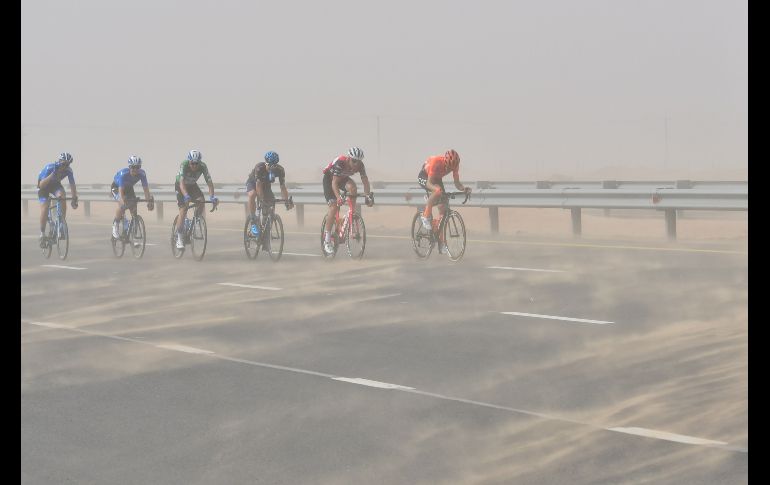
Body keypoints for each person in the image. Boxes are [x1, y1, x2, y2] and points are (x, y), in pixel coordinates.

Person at [321, 146, 373, 254]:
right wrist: (338, 197)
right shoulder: (340, 162)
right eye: (354, 161)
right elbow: (334, 183)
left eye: (358, 162)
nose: (356, 164)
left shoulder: (360, 165)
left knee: (353, 188)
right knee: (334, 207)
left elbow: (365, 181)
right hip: (330, 180)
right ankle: (327, 240)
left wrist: (368, 195)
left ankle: (351, 213)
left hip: (342, 178)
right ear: (349, 158)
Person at [417, 149, 471, 231]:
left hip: (437, 178)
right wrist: (435, 191)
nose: (449, 169)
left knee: (443, 206)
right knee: (437, 191)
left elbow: (457, 183)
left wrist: (464, 189)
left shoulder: (455, 165)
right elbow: (429, 183)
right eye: (448, 167)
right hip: (425, 176)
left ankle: (440, 236)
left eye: (451, 169)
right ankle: (425, 216)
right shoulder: (436, 161)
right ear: (445, 162)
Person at [174, 149, 218, 249]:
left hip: (192, 186)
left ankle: (196, 220)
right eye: (192, 163)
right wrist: (186, 196)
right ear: (189, 161)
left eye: (196, 163)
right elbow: (181, 183)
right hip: (181, 186)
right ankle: (179, 239)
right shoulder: (184, 165)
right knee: (183, 209)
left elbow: (210, 183)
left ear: (199, 162)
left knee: (201, 201)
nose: (194, 166)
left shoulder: (203, 166)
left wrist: (212, 197)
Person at [245, 150, 293, 238]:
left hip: (266, 185)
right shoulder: (259, 167)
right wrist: (262, 199)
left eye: (274, 166)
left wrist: (286, 201)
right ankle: (253, 222)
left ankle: (265, 227)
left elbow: (283, 187)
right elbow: (258, 186)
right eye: (269, 165)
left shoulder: (280, 170)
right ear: (266, 163)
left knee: (271, 201)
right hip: (253, 183)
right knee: (252, 195)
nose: (271, 168)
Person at [37, 152, 78, 246]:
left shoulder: (69, 170)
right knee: (45, 207)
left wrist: (74, 198)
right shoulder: (50, 167)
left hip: (55, 185)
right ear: (59, 162)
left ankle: (61, 223)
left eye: (67, 164)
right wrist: (52, 174)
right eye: (64, 164)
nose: (65, 166)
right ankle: (42, 234)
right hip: (43, 186)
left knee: (62, 196)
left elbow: (72, 184)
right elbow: (41, 185)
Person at [110, 155, 155, 239]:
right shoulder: (123, 174)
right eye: (133, 167)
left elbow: (145, 189)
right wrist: (122, 201)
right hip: (117, 187)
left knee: (133, 206)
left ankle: (132, 229)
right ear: (129, 167)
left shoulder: (142, 174)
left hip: (129, 188)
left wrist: (148, 201)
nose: (135, 170)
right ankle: (115, 225)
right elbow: (121, 191)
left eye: (137, 167)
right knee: (122, 206)